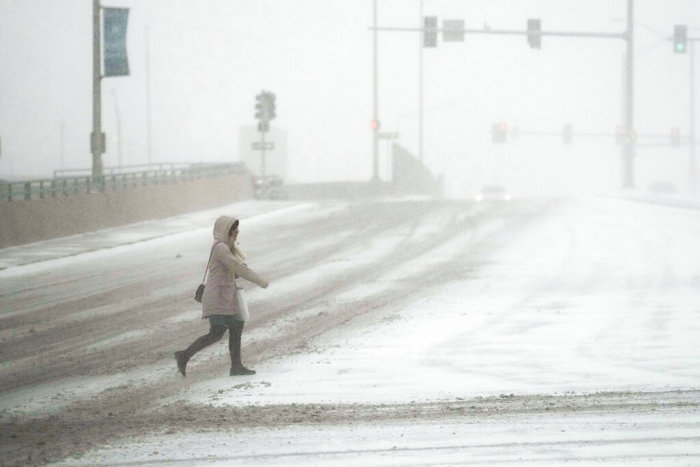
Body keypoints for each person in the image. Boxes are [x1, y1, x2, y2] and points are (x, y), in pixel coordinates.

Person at [175, 215, 269, 377]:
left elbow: (233, 270)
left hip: (225, 296)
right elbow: (236, 267)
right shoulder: (221, 248)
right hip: (217, 297)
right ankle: (184, 355)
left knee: (236, 326)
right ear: (226, 230)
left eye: (237, 229)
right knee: (217, 332)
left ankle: (236, 366)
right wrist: (259, 280)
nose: (237, 232)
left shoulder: (227, 247)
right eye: (234, 229)